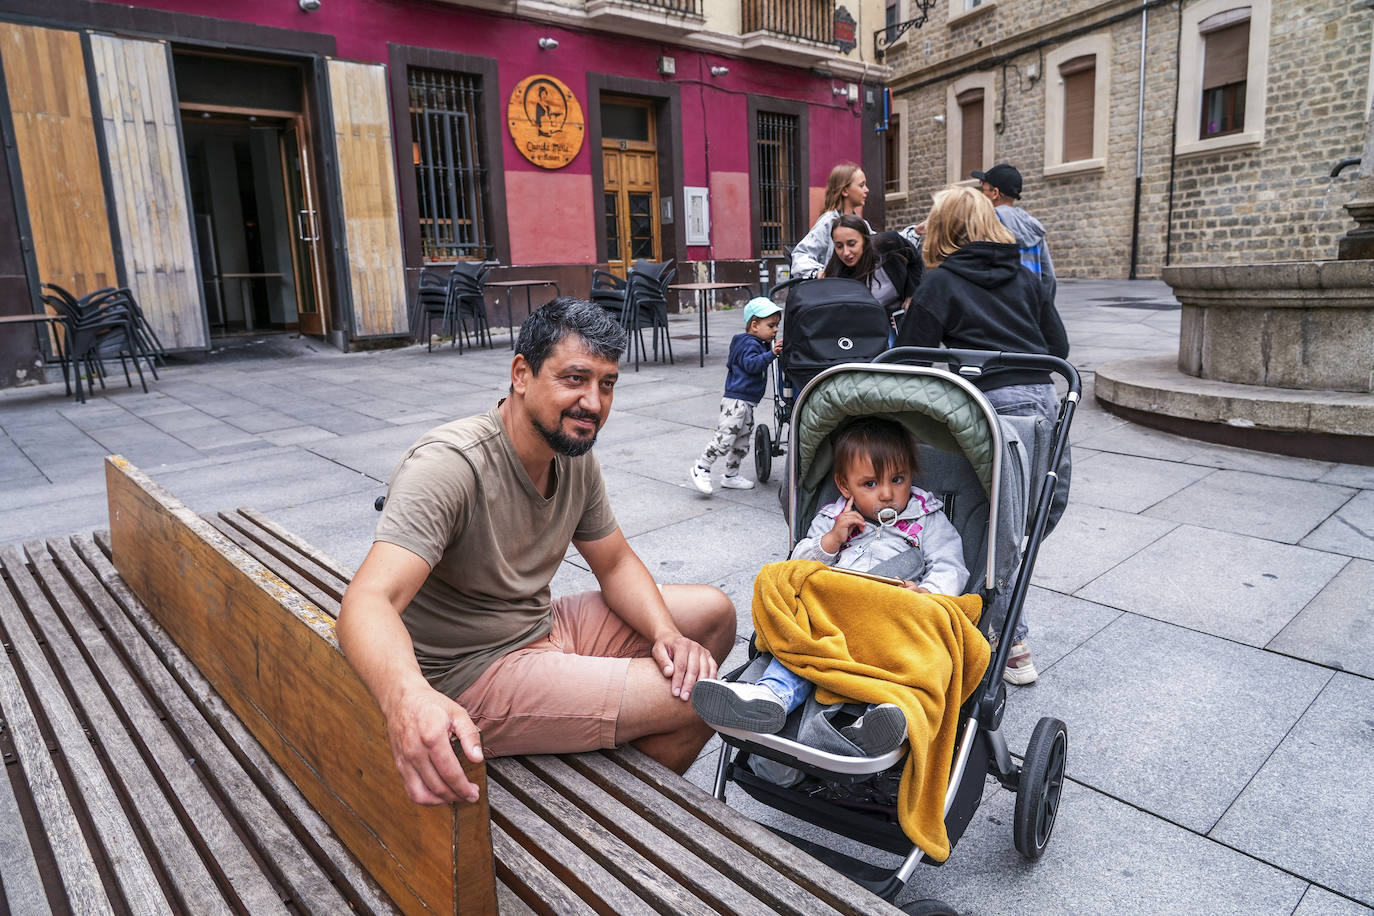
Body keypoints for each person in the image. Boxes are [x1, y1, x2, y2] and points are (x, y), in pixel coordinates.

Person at [338, 297, 736, 806]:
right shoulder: (449, 464)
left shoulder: (571, 450)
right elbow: (367, 600)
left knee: (713, 615)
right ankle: (614, 825)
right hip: (472, 669)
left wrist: (666, 635)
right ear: (521, 374)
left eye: (607, 383)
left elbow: (613, 562)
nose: (593, 402)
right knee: (700, 701)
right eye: (575, 378)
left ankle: (611, 779)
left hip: (540, 625)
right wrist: (407, 699)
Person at [691, 416, 968, 759]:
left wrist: (927, 594)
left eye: (898, 480)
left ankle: (880, 719)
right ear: (845, 486)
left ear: (911, 474)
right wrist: (833, 540)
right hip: (830, 621)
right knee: (803, 645)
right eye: (870, 484)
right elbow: (799, 567)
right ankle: (770, 696)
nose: (887, 493)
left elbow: (950, 565)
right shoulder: (832, 518)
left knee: (908, 657)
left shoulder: (927, 519)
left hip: (887, 621)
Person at [895, 185, 1071, 686]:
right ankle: (1006, 629)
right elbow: (1056, 345)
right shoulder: (1025, 274)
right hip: (1041, 404)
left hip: (989, 410)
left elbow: (909, 357)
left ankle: (1003, 634)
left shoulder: (941, 281)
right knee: (1029, 517)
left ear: (945, 228)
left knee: (991, 519)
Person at [689, 297, 783, 495]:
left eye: (777, 325)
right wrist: (771, 354)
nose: (775, 330)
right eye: (771, 325)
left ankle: (731, 475)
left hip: (747, 402)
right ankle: (702, 467)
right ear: (755, 325)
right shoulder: (748, 343)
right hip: (736, 402)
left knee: (742, 441)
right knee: (724, 438)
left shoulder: (759, 342)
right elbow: (751, 365)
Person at [972, 163, 1057, 306]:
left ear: (995, 193)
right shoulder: (1032, 225)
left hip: (999, 307)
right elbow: (1049, 276)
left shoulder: (989, 222)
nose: (982, 194)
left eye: (983, 189)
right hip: (1030, 305)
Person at [821, 213, 923, 317]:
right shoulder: (837, 276)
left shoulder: (889, 242)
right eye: (839, 246)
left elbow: (916, 260)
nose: (846, 252)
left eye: (851, 244)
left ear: (865, 240)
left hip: (901, 313)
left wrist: (911, 294)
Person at [790, 162, 873, 278]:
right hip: (833, 291)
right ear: (845, 191)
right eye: (861, 185)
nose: (867, 190)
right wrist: (821, 274)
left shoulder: (863, 224)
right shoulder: (828, 222)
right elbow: (800, 254)